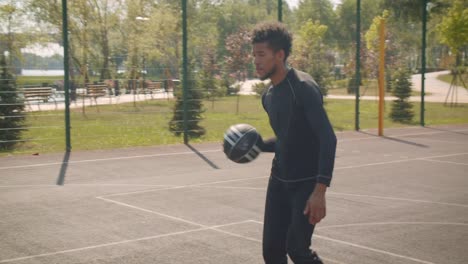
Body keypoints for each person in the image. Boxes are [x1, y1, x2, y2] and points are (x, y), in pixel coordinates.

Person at [252, 21, 337, 264]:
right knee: (272, 252)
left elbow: (327, 139)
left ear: (279, 55)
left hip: (306, 184)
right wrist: (257, 145)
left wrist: (319, 192)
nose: (256, 61)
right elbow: (289, 139)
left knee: (297, 250)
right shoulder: (268, 96)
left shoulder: (303, 88)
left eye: (261, 55)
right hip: (278, 181)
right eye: (254, 55)